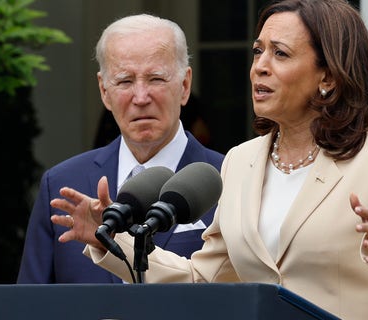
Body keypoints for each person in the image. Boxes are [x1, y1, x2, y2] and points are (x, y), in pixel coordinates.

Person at [49, 0, 368, 318]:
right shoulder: (241, 162)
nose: (259, 68)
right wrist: (109, 239)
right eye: (257, 51)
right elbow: (203, 279)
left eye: (280, 54)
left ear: (327, 76)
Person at [17, 14, 224, 283]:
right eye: (125, 81)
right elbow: (30, 304)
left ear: (184, 86)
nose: (140, 97)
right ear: (104, 90)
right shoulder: (62, 184)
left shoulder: (230, 178)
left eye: (156, 79)